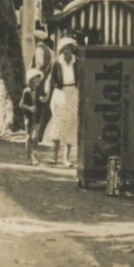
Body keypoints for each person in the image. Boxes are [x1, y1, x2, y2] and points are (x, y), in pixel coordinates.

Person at [42, 38, 81, 170]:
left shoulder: (78, 62)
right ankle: (54, 157)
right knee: (58, 123)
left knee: (71, 123)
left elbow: (82, 78)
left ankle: (66, 158)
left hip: (73, 93)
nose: (66, 51)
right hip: (60, 93)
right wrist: (47, 95)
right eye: (63, 49)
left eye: (68, 48)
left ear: (71, 49)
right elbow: (50, 79)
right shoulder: (56, 63)